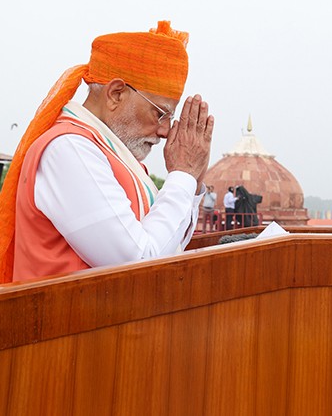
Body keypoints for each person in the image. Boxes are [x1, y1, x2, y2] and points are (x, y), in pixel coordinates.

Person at [0, 21, 214, 283]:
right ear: (116, 94)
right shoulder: (69, 150)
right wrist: (182, 174)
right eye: (159, 113)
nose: (165, 131)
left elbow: (166, 243)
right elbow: (137, 262)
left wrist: (192, 181)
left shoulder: (110, 154)